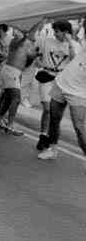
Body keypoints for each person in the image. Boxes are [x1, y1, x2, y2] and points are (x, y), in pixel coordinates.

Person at [32, 20, 80, 151]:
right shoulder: (46, 41)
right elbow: (34, 52)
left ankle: (50, 138)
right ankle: (43, 135)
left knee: (55, 114)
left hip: (62, 81)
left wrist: (69, 42)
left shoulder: (75, 45)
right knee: (47, 108)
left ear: (66, 32)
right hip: (47, 77)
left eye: (57, 31)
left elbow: (75, 61)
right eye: (54, 31)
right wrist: (37, 60)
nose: (55, 34)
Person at [37, 49, 86, 169]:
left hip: (77, 93)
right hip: (60, 84)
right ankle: (52, 149)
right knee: (54, 118)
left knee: (79, 127)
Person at [0, 26, 38, 136]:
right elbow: (21, 41)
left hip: (14, 72)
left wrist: (35, 53)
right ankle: (10, 125)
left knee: (9, 98)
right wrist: (40, 22)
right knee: (16, 98)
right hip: (11, 71)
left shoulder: (28, 45)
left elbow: (29, 60)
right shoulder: (17, 41)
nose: (35, 35)